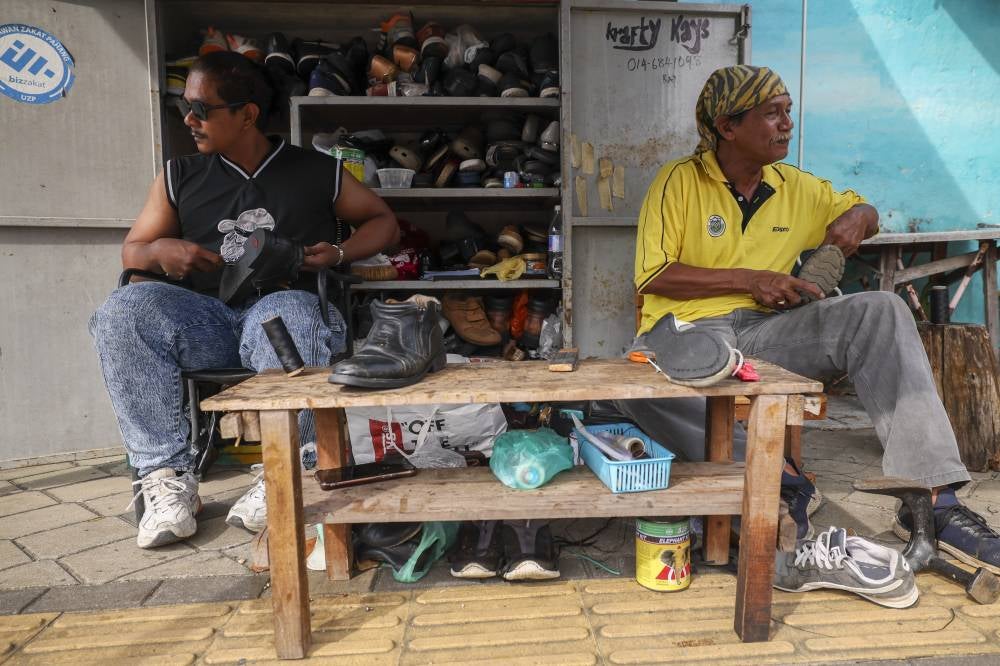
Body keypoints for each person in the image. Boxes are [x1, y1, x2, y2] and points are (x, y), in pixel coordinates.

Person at [615, 65, 1000, 573]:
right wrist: (751, 279)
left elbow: (862, 209)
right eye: (771, 113)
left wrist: (859, 216)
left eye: (788, 112)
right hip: (687, 332)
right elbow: (655, 275)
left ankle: (934, 503)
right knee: (630, 387)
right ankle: (782, 478)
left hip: (765, 330)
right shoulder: (679, 182)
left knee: (879, 310)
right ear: (728, 127)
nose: (787, 124)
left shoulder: (796, 186)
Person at [90, 51, 399, 548]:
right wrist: (159, 250)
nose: (189, 120)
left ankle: (287, 469)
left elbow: (384, 221)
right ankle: (167, 479)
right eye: (183, 108)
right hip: (205, 320)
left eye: (201, 108)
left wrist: (338, 252)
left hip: (280, 314)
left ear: (247, 113)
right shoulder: (180, 175)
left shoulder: (315, 170)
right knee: (122, 311)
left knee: (295, 311)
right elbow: (133, 250)